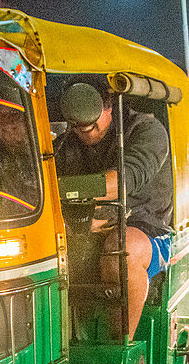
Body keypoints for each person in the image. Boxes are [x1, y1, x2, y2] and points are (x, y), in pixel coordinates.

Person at [54, 82, 172, 339]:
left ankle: (120, 348)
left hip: (147, 229)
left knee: (121, 252)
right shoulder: (65, 145)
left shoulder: (146, 130)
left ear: (109, 103)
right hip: (86, 228)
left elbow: (124, 179)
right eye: (75, 125)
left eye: (90, 122)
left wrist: (57, 189)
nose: (83, 131)